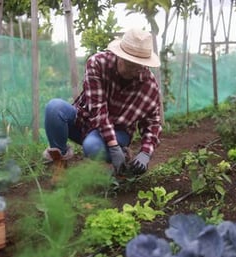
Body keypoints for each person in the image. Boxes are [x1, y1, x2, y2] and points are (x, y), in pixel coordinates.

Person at [43, 28, 162, 177]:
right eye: (130, 65)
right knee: (54, 108)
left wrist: (146, 152)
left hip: (119, 131)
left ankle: (122, 155)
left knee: (92, 147)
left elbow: (153, 122)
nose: (134, 71)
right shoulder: (98, 63)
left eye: (139, 67)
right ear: (119, 56)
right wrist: (113, 147)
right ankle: (59, 163)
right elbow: (98, 110)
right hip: (86, 120)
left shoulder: (148, 86)